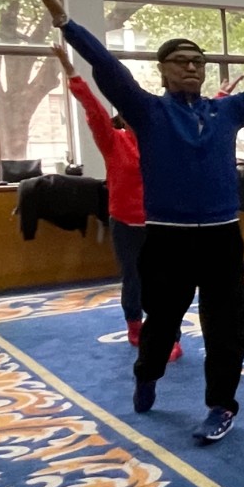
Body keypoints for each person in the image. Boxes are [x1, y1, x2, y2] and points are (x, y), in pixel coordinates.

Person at [33, 0, 244, 444]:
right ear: (163, 70)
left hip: (221, 238)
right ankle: (147, 373)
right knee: (162, 323)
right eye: (181, 61)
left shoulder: (227, 111)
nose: (192, 67)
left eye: (198, 62)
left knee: (227, 327)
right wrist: (67, 23)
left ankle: (221, 405)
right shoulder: (148, 111)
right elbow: (107, 67)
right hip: (167, 237)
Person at [52, 43, 183, 362]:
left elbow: (193, 123)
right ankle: (135, 325)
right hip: (126, 222)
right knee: (134, 278)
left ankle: (169, 334)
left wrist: (218, 97)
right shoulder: (113, 142)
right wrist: (71, 72)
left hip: (162, 221)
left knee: (168, 281)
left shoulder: (161, 140)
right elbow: (93, 110)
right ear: (123, 119)